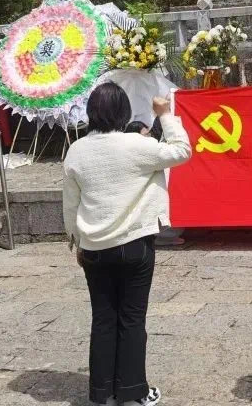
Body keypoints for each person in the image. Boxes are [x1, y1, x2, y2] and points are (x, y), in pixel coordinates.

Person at [63, 83, 192, 406]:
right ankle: (132, 391)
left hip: (94, 245)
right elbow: (181, 150)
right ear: (123, 113)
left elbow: (70, 203)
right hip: (135, 242)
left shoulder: (77, 149)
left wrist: (75, 240)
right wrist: (166, 116)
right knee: (132, 319)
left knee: (103, 318)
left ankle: (101, 392)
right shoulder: (136, 145)